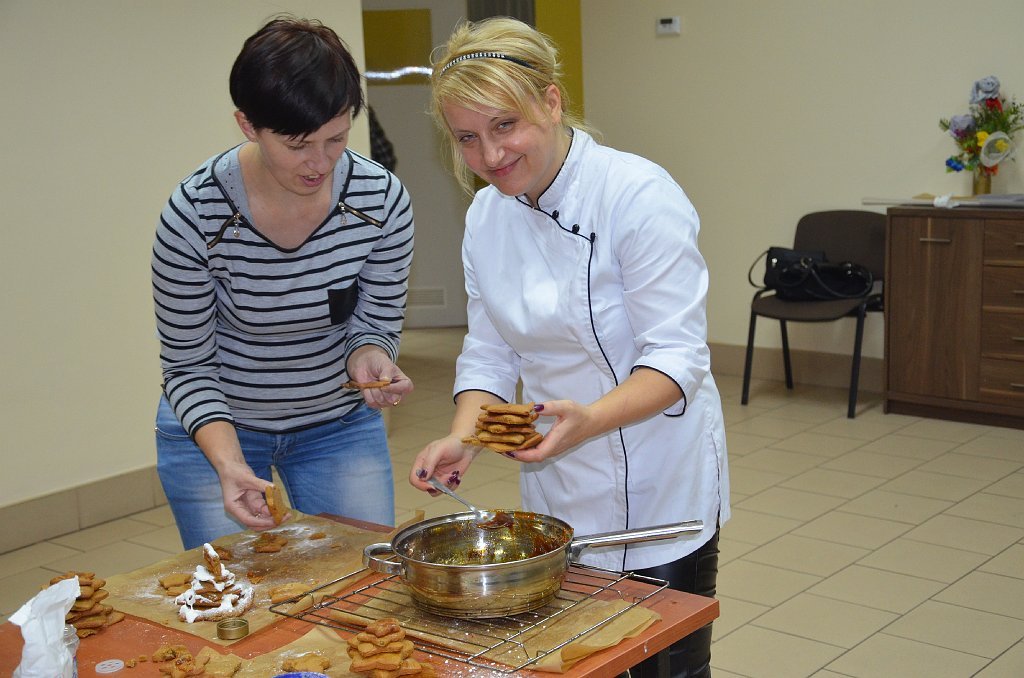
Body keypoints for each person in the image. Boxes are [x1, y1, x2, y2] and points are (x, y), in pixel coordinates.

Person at [409, 18, 728, 678]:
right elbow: (491, 352)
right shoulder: (486, 217)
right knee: (578, 663)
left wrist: (588, 420)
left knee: (662, 667)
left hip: (658, 480)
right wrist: (464, 437)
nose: (489, 154)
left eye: (505, 125)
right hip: (558, 489)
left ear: (551, 102)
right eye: (466, 137)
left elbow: (677, 358)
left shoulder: (636, 196)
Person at [152, 16, 415, 551]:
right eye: (297, 144)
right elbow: (188, 365)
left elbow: (375, 320)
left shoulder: (380, 200)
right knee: (233, 592)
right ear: (248, 125)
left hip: (338, 427)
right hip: (220, 431)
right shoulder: (195, 214)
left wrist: (369, 355)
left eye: (336, 139)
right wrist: (230, 463)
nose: (319, 163)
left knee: (358, 577)